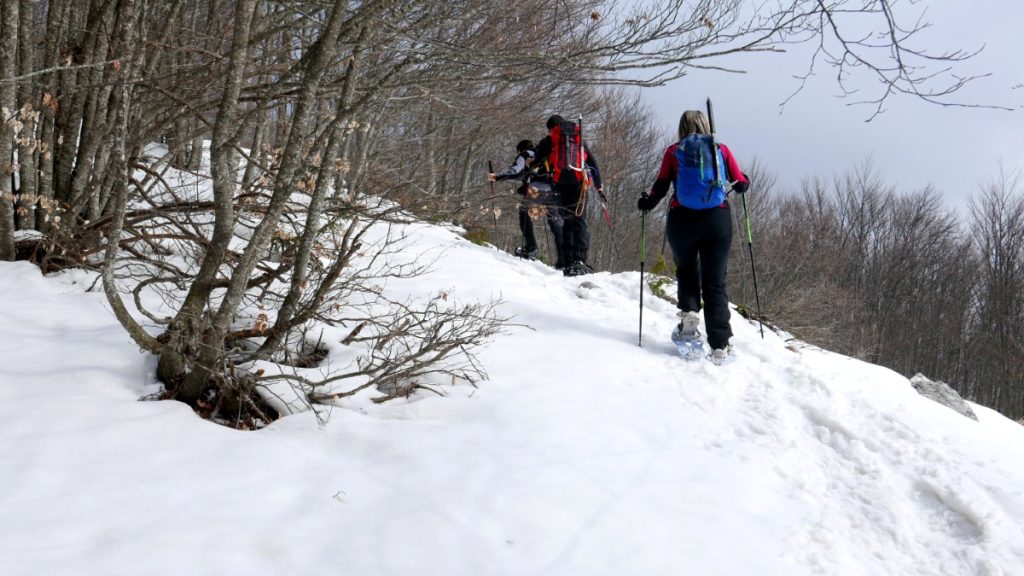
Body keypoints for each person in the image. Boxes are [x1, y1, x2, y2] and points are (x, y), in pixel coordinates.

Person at [636, 109, 749, 364]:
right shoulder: (720, 148)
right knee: (715, 282)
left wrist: (647, 203)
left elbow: (661, 186)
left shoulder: (673, 151)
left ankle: (689, 312)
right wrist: (744, 182)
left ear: (682, 127)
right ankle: (720, 345)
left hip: (683, 218)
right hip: (717, 220)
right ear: (706, 125)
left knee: (686, 269)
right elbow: (740, 183)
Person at [531, 115, 604, 277]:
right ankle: (579, 261)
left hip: (560, 184)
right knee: (579, 220)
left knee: (567, 222)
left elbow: (536, 164)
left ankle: (566, 261)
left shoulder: (549, 141)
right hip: (579, 182)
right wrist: (599, 186)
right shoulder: (578, 137)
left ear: (551, 129)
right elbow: (592, 163)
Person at [487, 140, 566, 267]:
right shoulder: (543, 154)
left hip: (536, 190)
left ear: (520, 149)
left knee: (524, 213)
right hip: (554, 191)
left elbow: (516, 171)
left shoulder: (525, 154)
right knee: (556, 224)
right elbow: (522, 175)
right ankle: (564, 259)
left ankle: (531, 248)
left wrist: (497, 176)